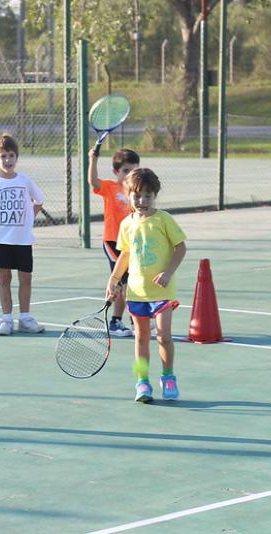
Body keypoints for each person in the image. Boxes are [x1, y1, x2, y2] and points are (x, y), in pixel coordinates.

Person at [105, 168, 187, 403]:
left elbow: (181, 248)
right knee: (140, 339)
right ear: (128, 194)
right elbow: (125, 255)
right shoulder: (126, 224)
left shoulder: (164, 220)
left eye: (148, 196)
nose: (142, 201)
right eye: (137, 195)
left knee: (164, 337)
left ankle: (168, 377)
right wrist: (113, 279)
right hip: (136, 292)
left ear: (155, 196)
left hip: (161, 292)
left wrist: (168, 272)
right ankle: (142, 383)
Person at [0, 132, 46, 336]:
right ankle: (6, 319)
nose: (8, 160)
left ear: (16, 157)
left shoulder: (25, 181)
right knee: (4, 279)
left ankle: (24, 318)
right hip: (2, 242)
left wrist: (28, 220)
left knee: (25, 279)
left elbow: (39, 202)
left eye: (11, 155)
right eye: (3, 156)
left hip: (24, 242)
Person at [88, 147, 140, 337]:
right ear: (116, 172)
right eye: (126, 170)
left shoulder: (136, 192)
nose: (130, 175)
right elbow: (93, 181)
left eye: (134, 170)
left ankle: (121, 321)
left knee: (127, 282)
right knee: (124, 281)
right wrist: (93, 160)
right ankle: (126, 321)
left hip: (130, 244)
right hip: (112, 242)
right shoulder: (110, 187)